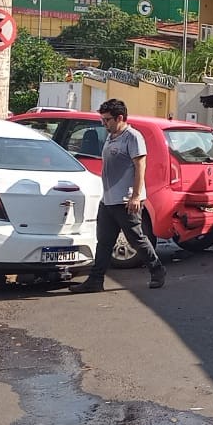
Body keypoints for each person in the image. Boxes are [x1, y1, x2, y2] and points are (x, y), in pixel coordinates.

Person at [71, 99, 166, 293]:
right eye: (103, 120)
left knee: (136, 238)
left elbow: (140, 166)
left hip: (126, 200)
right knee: (104, 242)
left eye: (107, 120)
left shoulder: (132, 137)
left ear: (119, 118)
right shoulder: (111, 136)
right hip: (108, 200)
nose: (104, 124)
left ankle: (157, 269)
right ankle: (95, 280)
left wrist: (136, 196)